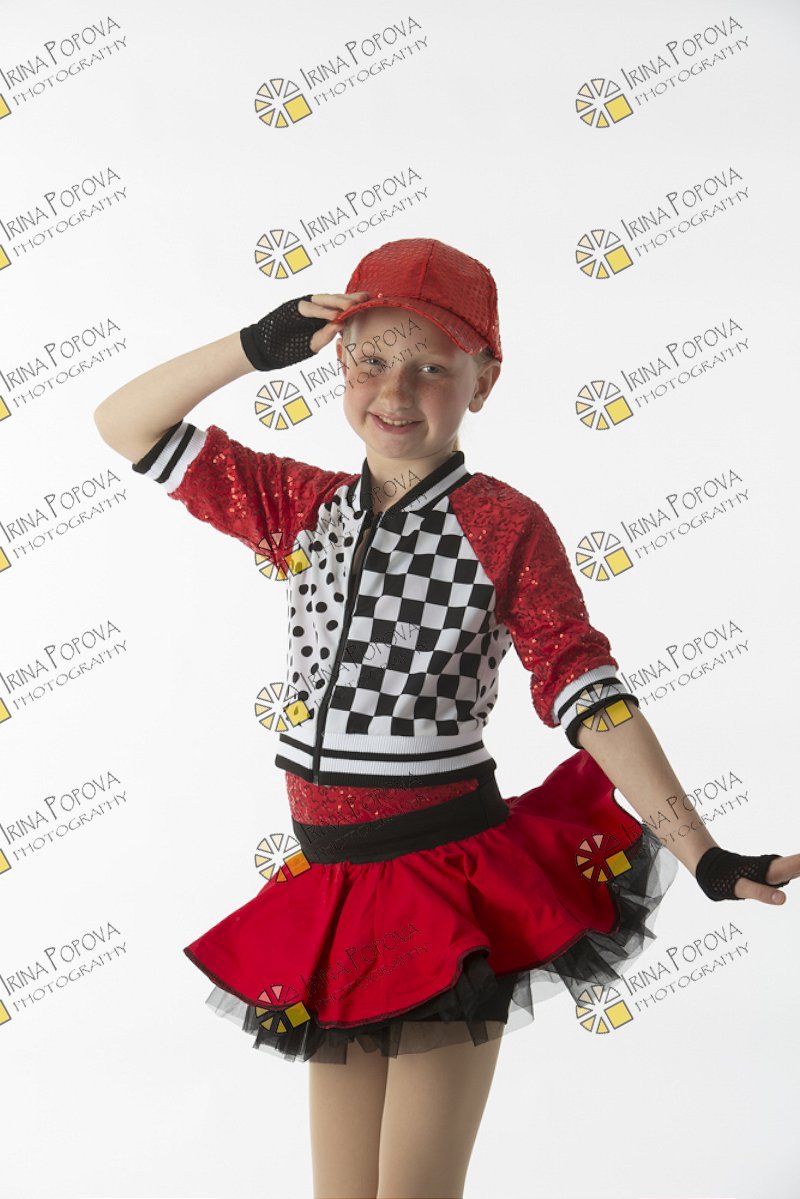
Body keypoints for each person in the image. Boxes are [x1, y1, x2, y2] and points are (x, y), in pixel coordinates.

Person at [93, 237, 798, 1199]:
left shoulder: (504, 524)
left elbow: (589, 692)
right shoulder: (301, 507)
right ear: (338, 362)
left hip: (443, 884)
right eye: (373, 359)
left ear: (484, 381)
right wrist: (253, 347)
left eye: (432, 366)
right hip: (333, 885)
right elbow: (124, 423)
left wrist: (704, 852)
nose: (396, 389)